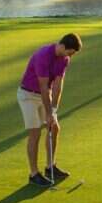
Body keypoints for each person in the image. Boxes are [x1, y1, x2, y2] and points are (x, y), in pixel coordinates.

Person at [17, 33, 82, 186]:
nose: (70, 56)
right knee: (35, 132)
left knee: (54, 128)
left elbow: (58, 85)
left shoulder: (64, 59)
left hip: (44, 94)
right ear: (63, 46)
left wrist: (53, 110)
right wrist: (48, 113)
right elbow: (43, 87)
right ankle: (34, 174)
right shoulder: (43, 55)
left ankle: (50, 166)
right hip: (28, 95)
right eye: (70, 52)